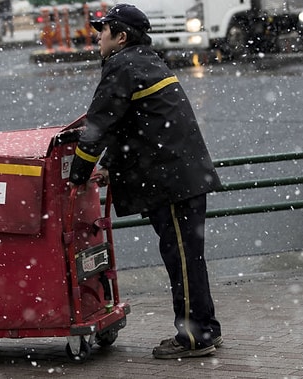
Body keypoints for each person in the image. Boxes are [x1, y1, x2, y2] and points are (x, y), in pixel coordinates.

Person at [68, 4, 223, 359]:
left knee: (183, 260)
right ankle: (205, 331)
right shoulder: (145, 60)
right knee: (188, 259)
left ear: (120, 36)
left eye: (103, 30)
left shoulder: (122, 66)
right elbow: (134, 126)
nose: (98, 35)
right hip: (181, 177)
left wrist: (79, 173)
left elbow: (99, 126)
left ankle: (195, 338)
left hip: (172, 181)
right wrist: (110, 164)